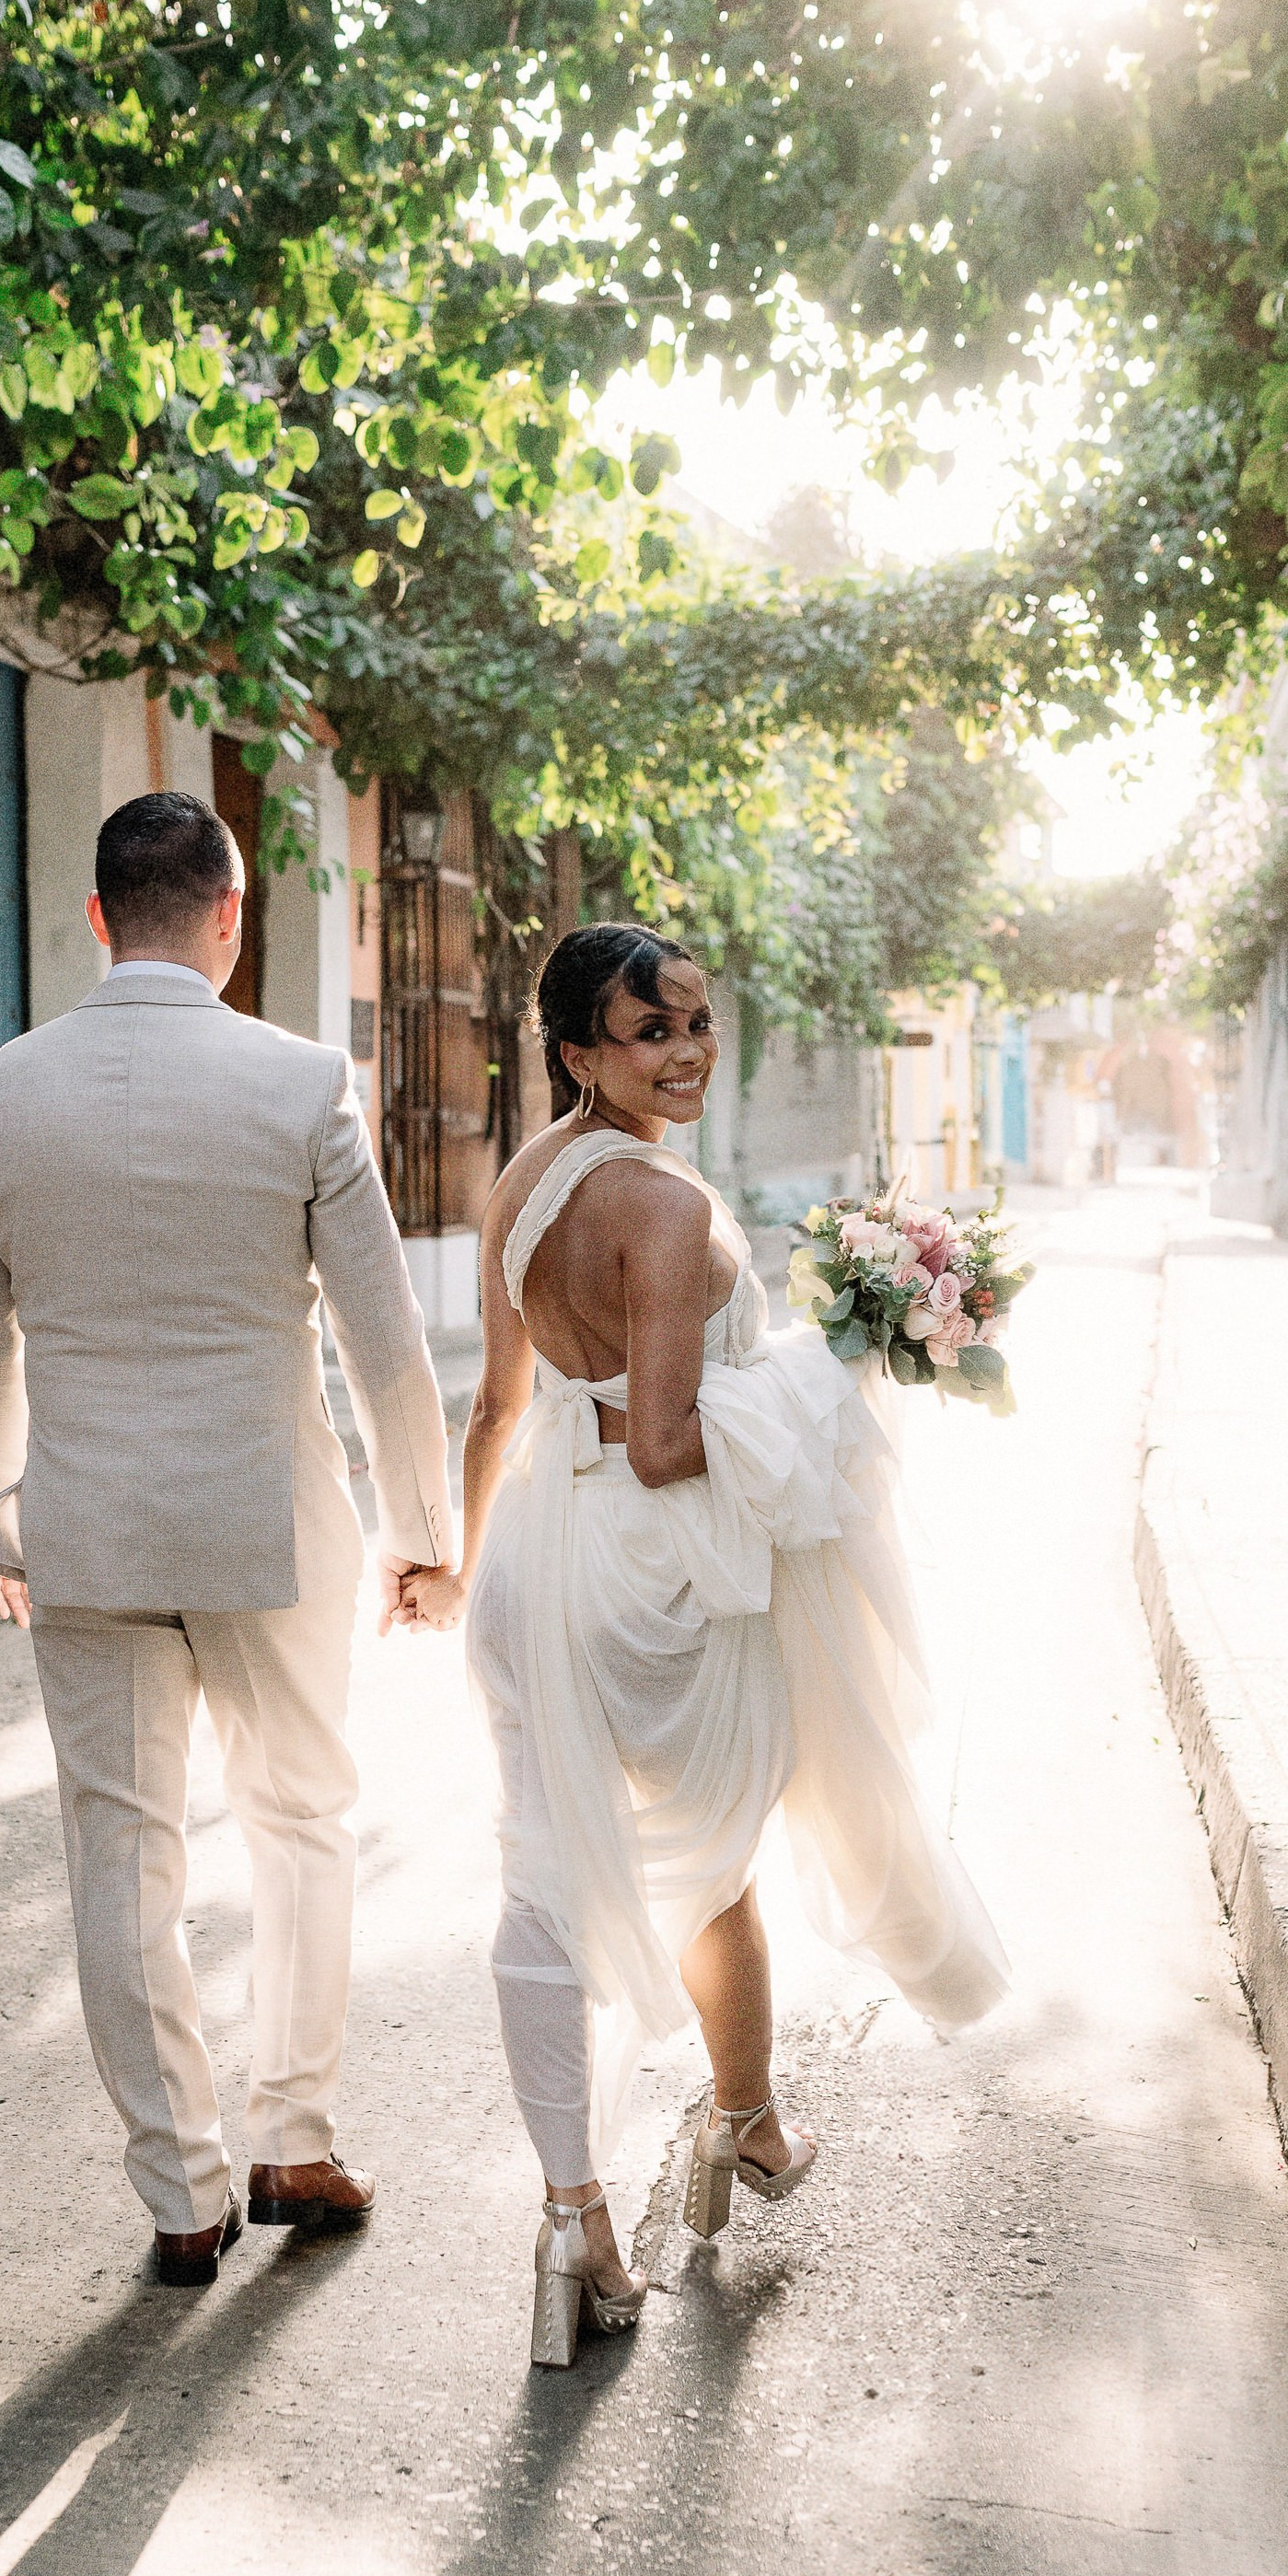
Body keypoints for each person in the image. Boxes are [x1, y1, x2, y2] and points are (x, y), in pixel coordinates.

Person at [398, 923, 1007, 2367]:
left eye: (696, 1023)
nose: (684, 1053)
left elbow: (499, 1409)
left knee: (544, 1863)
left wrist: (457, 1564)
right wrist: (843, 1360)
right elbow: (671, 1446)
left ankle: (582, 2218)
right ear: (577, 1053)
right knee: (716, 1854)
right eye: (646, 1031)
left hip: (541, 1560)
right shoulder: (661, 1210)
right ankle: (743, 2123)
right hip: (648, 1575)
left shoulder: (522, 1183)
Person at [0, 790, 453, 2288]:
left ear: (97, 918)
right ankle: (295, 2135)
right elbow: (384, 1339)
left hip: (84, 1526)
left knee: (120, 1854)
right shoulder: (300, 1086)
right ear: (231, 916)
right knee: (300, 1820)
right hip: (270, 1524)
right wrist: (423, 1528)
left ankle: (180, 2190)